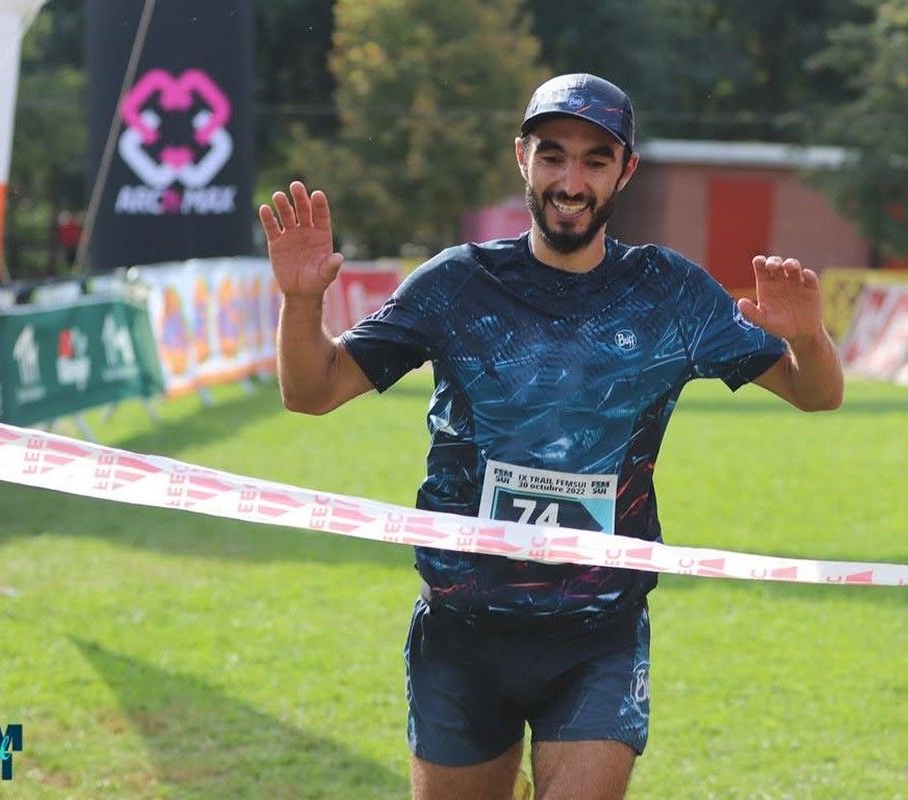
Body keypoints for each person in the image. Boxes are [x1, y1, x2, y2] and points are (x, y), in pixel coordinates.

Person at [259, 73, 843, 800]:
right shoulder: (456, 285)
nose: (572, 180)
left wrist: (809, 338)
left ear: (625, 171)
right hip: (463, 628)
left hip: (597, 630)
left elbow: (815, 393)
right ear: (522, 158)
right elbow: (311, 391)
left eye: (596, 160)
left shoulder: (670, 294)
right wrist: (302, 300)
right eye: (553, 155)